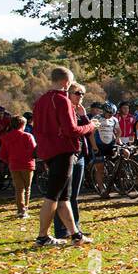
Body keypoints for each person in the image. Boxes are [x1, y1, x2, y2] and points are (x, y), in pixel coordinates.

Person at [32, 66, 96, 247]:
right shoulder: (61, 100)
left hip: (48, 150)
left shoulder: (40, 101)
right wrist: (90, 126)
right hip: (62, 150)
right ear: (66, 82)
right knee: (53, 195)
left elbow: (38, 128)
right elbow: (71, 130)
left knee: (64, 197)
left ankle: (76, 234)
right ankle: (42, 237)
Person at [54, 82, 95, 240]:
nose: (81, 96)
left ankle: (75, 229)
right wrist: (88, 124)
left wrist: (84, 116)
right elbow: (72, 131)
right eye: (78, 93)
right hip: (67, 154)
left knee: (74, 196)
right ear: (68, 94)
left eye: (83, 94)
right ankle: (61, 231)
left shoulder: (78, 111)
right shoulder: (64, 110)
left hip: (80, 155)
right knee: (63, 195)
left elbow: (87, 131)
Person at [0, 115, 36, 218]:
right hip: (27, 164)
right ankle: (25, 209)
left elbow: (2, 155)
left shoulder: (6, 137)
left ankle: (20, 210)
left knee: (19, 188)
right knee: (27, 188)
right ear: (23, 125)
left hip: (14, 165)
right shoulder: (28, 136)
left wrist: (9, 160)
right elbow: (34, 151)